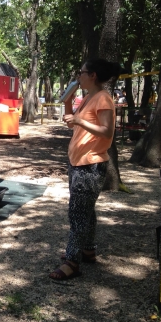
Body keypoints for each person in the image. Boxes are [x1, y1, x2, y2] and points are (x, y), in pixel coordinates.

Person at [49, 58, 119, 281]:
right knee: (86, 210)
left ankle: (72, 262)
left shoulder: (103, 99)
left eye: (82, 72)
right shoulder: (88, 98)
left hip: (91, 164)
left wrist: (79, 120)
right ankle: (88, 250)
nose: (79, 76)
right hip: (78, 162)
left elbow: (107, 132)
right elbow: (72, 123)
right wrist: (69, 104)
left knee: (77, 213)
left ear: (93, 75)